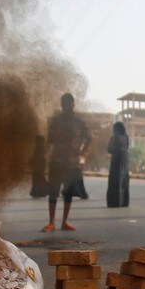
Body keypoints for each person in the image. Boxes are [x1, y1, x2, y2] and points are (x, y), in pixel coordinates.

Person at [44, 93, 91, 232]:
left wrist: (83, 151)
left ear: (73, 104)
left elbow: (89, 138)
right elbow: (49, 139)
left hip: (72, 163)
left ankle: (64, 222)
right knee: (53, 192)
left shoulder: (79, 122)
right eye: (64, 104)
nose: (66, 107)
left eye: (68, 104)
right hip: (56, 162)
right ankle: (51, 222)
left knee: (68, 193)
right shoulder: (56, 121)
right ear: (62, 105)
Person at [106, 122, 130, 208]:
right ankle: (124, 202)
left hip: (116, 159)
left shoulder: (114, 137)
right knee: (124, 181)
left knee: (115, 181)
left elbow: (109, 149)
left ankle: (114, 202)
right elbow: (127, 147)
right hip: (125, 159)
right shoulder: (126, 137)